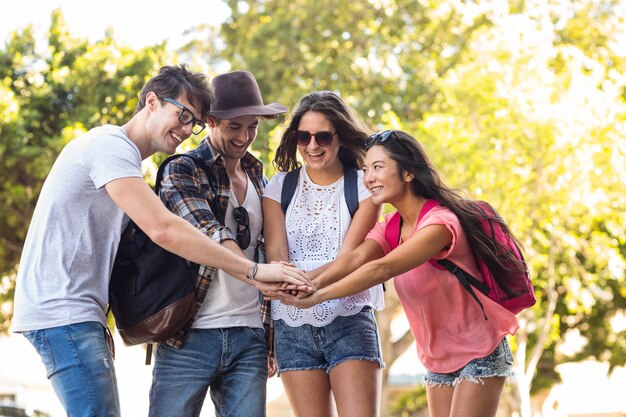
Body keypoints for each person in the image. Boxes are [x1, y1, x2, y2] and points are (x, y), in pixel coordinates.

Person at [11, 65, 309, 417]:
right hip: (62, 309)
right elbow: (163, 229)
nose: (186, 129)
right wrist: (254, 270)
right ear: (151, 101)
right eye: (182, 115)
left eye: (192, 122)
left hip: (81, 311)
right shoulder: (110, 147)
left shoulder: (127, 163)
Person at [272, 130, 522, 417]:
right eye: (366, 170)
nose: (368, 179)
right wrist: (304, 284)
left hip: (481, 352)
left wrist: (317, 297)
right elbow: (353, 259)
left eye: (378, 168)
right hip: (439, 359)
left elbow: (382, 268)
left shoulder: (440, 224)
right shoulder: (391, 227)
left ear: (408, 173)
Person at [147, 70, 296, 417]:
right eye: (235, 127)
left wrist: (270, 337)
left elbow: (273, 248)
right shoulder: (182, 170)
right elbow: (209, 232)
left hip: (249, 336)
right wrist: (257, 272)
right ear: (211, 121)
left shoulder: (261, 178)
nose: (245, 137)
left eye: (253, 126)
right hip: (189, 336)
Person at [262, 91, 385, 417]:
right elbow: (277, 256)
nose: (312, 146)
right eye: (303, 136)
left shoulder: (363, 186)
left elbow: (350, 258)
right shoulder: (279, 187)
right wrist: (290, 284)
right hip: (291, 325)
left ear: (340, 137)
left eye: (322, 136)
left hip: (349, 318)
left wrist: (309, 287)